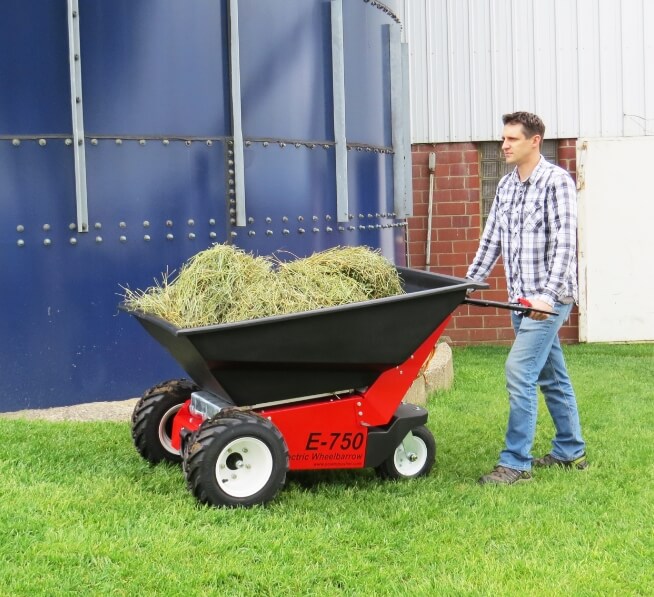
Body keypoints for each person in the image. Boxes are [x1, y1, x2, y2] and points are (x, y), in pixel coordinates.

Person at [466, 111, 587, 485]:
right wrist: (468, 284)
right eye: (503, 139)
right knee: (552, 376)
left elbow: (566, 244)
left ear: (535, 141)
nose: (504, 145)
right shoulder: (506, 187)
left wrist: (548, 298)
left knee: (519, 371)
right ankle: (570, 450)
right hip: (519, 300)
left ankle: (515, 463)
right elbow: (491, 241)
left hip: (548, 300)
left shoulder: (556, 182)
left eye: (512, 139)